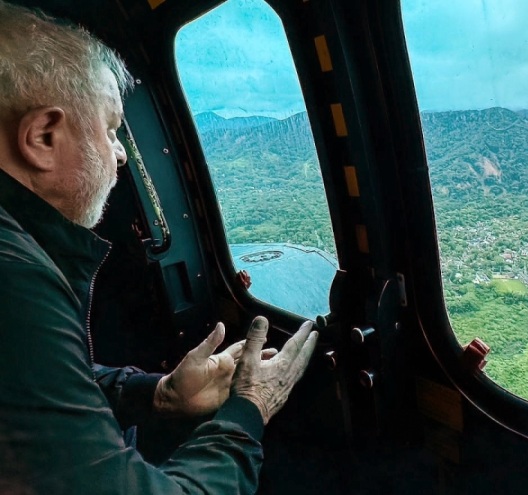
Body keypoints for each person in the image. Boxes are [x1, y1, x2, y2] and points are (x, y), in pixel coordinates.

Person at [0, 2, 318, 493]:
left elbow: (36, 392)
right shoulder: (13, 278)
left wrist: (159, 393)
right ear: (43, 137)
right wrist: (249, 407)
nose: (122, 153)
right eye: (110, 130)